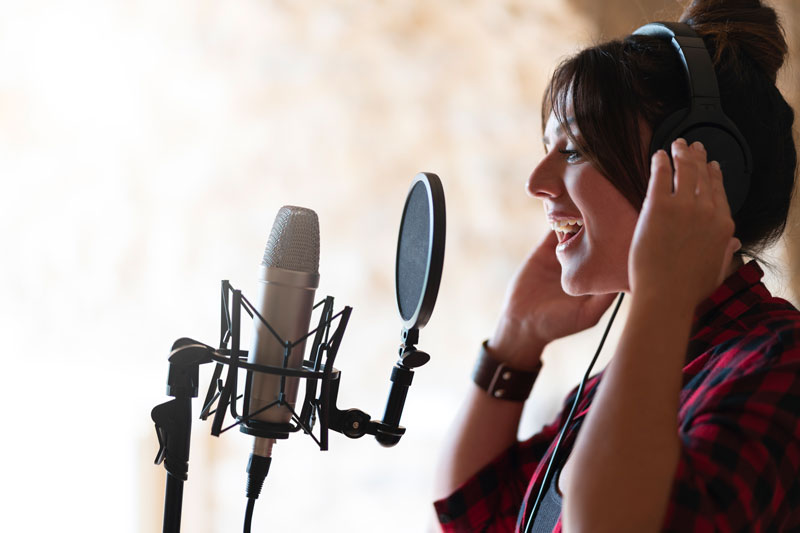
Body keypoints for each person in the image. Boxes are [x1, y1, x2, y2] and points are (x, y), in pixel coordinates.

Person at [433, 0, 800, 531]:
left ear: (699, 165)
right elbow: (473, 517)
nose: (537, 180)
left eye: (576, 149)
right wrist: (516, 340)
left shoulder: (782, 365)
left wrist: (662, 298)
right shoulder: (629, 380)